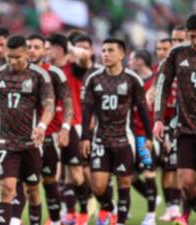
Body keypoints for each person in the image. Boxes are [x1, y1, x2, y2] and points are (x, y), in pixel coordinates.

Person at [81, 38, 153, 225]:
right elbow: (87, 110)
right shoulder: (94, 78)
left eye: (110, 50)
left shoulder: (132, 79)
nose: (105, 54)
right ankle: (108, 207)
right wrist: (85, 138)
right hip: (100, 140)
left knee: (124, 184)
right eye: (103, 50)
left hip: (124, 139)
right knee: (97, 186)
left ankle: (119, 221)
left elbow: (143, 109)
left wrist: (149, 136)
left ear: (122, 54)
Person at [0, 35, 55, 225]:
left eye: (17, 57)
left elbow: (49, 105)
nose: (13, 61)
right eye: (9, 57)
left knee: (32, 190)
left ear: (26, 53)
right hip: (6, 143)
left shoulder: (39, 75)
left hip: (31, 143)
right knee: (7, 189)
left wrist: (42, 125)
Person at [154, 13, 196, 225]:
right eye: (192, 36)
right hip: (185, 127)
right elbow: (162, 85)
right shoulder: (177, 53)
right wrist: (159, 119)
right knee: (187, 183)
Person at [26, 34, 73, 225]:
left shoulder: (55, 73)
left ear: (45, 51)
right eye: (29, 46)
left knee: (49, 180)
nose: (32, 50)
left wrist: (66, 127)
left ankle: (55, 220)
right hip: (22, 138)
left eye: (37, 47)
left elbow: (68, 104)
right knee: (26, 184)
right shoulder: (16, 73)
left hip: (49, 136)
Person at [46, 33, 88, 224]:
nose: (46, 51)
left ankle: (84, 209)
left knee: (76, 176)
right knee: (54, 175)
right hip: (51, 127)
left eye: (50, 47)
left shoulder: (74, 68)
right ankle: (63, 213)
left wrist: (69, 46)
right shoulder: (45, 70)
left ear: (60, 49)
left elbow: (86, 56)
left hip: (73, 125)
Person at [128, 49, 158, 225]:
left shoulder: (154, 81)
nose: (129, 62)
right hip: (130, 133)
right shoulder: (131, 80)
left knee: (149, 172)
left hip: (144, 134)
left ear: (140, 61)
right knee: (128, 175)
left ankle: (151, 215)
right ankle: (151, 196)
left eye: (131, 59)